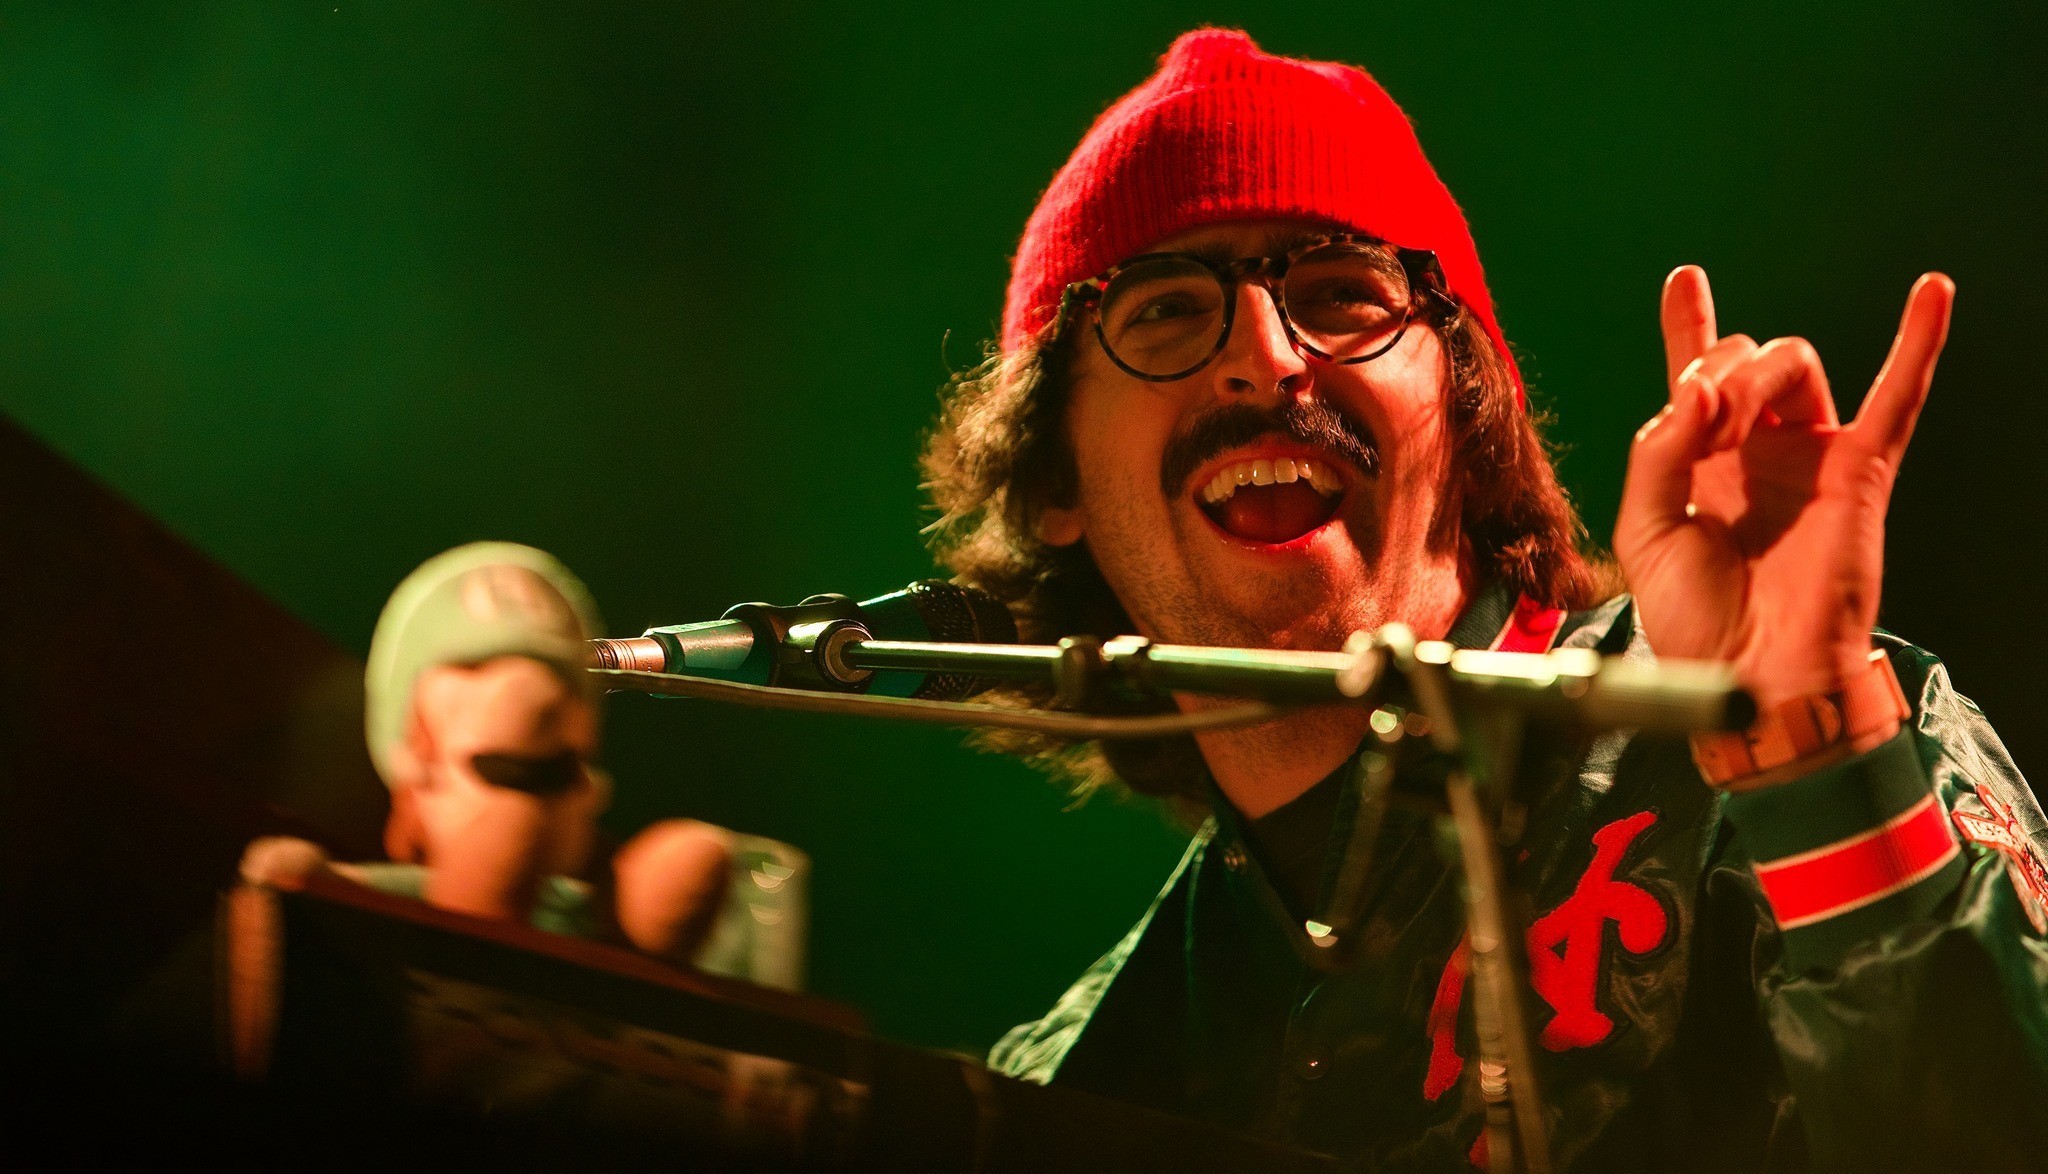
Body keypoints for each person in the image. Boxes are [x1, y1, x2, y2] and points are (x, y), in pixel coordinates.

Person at [921, 28, 2048, 1172]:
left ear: (1467, 412)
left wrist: (1814, 756)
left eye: (1340, 293)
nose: (1264, 356)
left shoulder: (1777, 739)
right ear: (1053, 477)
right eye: (1161, 309)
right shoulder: (1071, 1082)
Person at [239, 542, 732, 962]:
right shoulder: (403, 902)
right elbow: (328, 895)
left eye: (555, 770)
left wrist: (642, 914)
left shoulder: (579, 906)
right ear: (418, 765)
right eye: (501, 769)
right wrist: (319, 887)